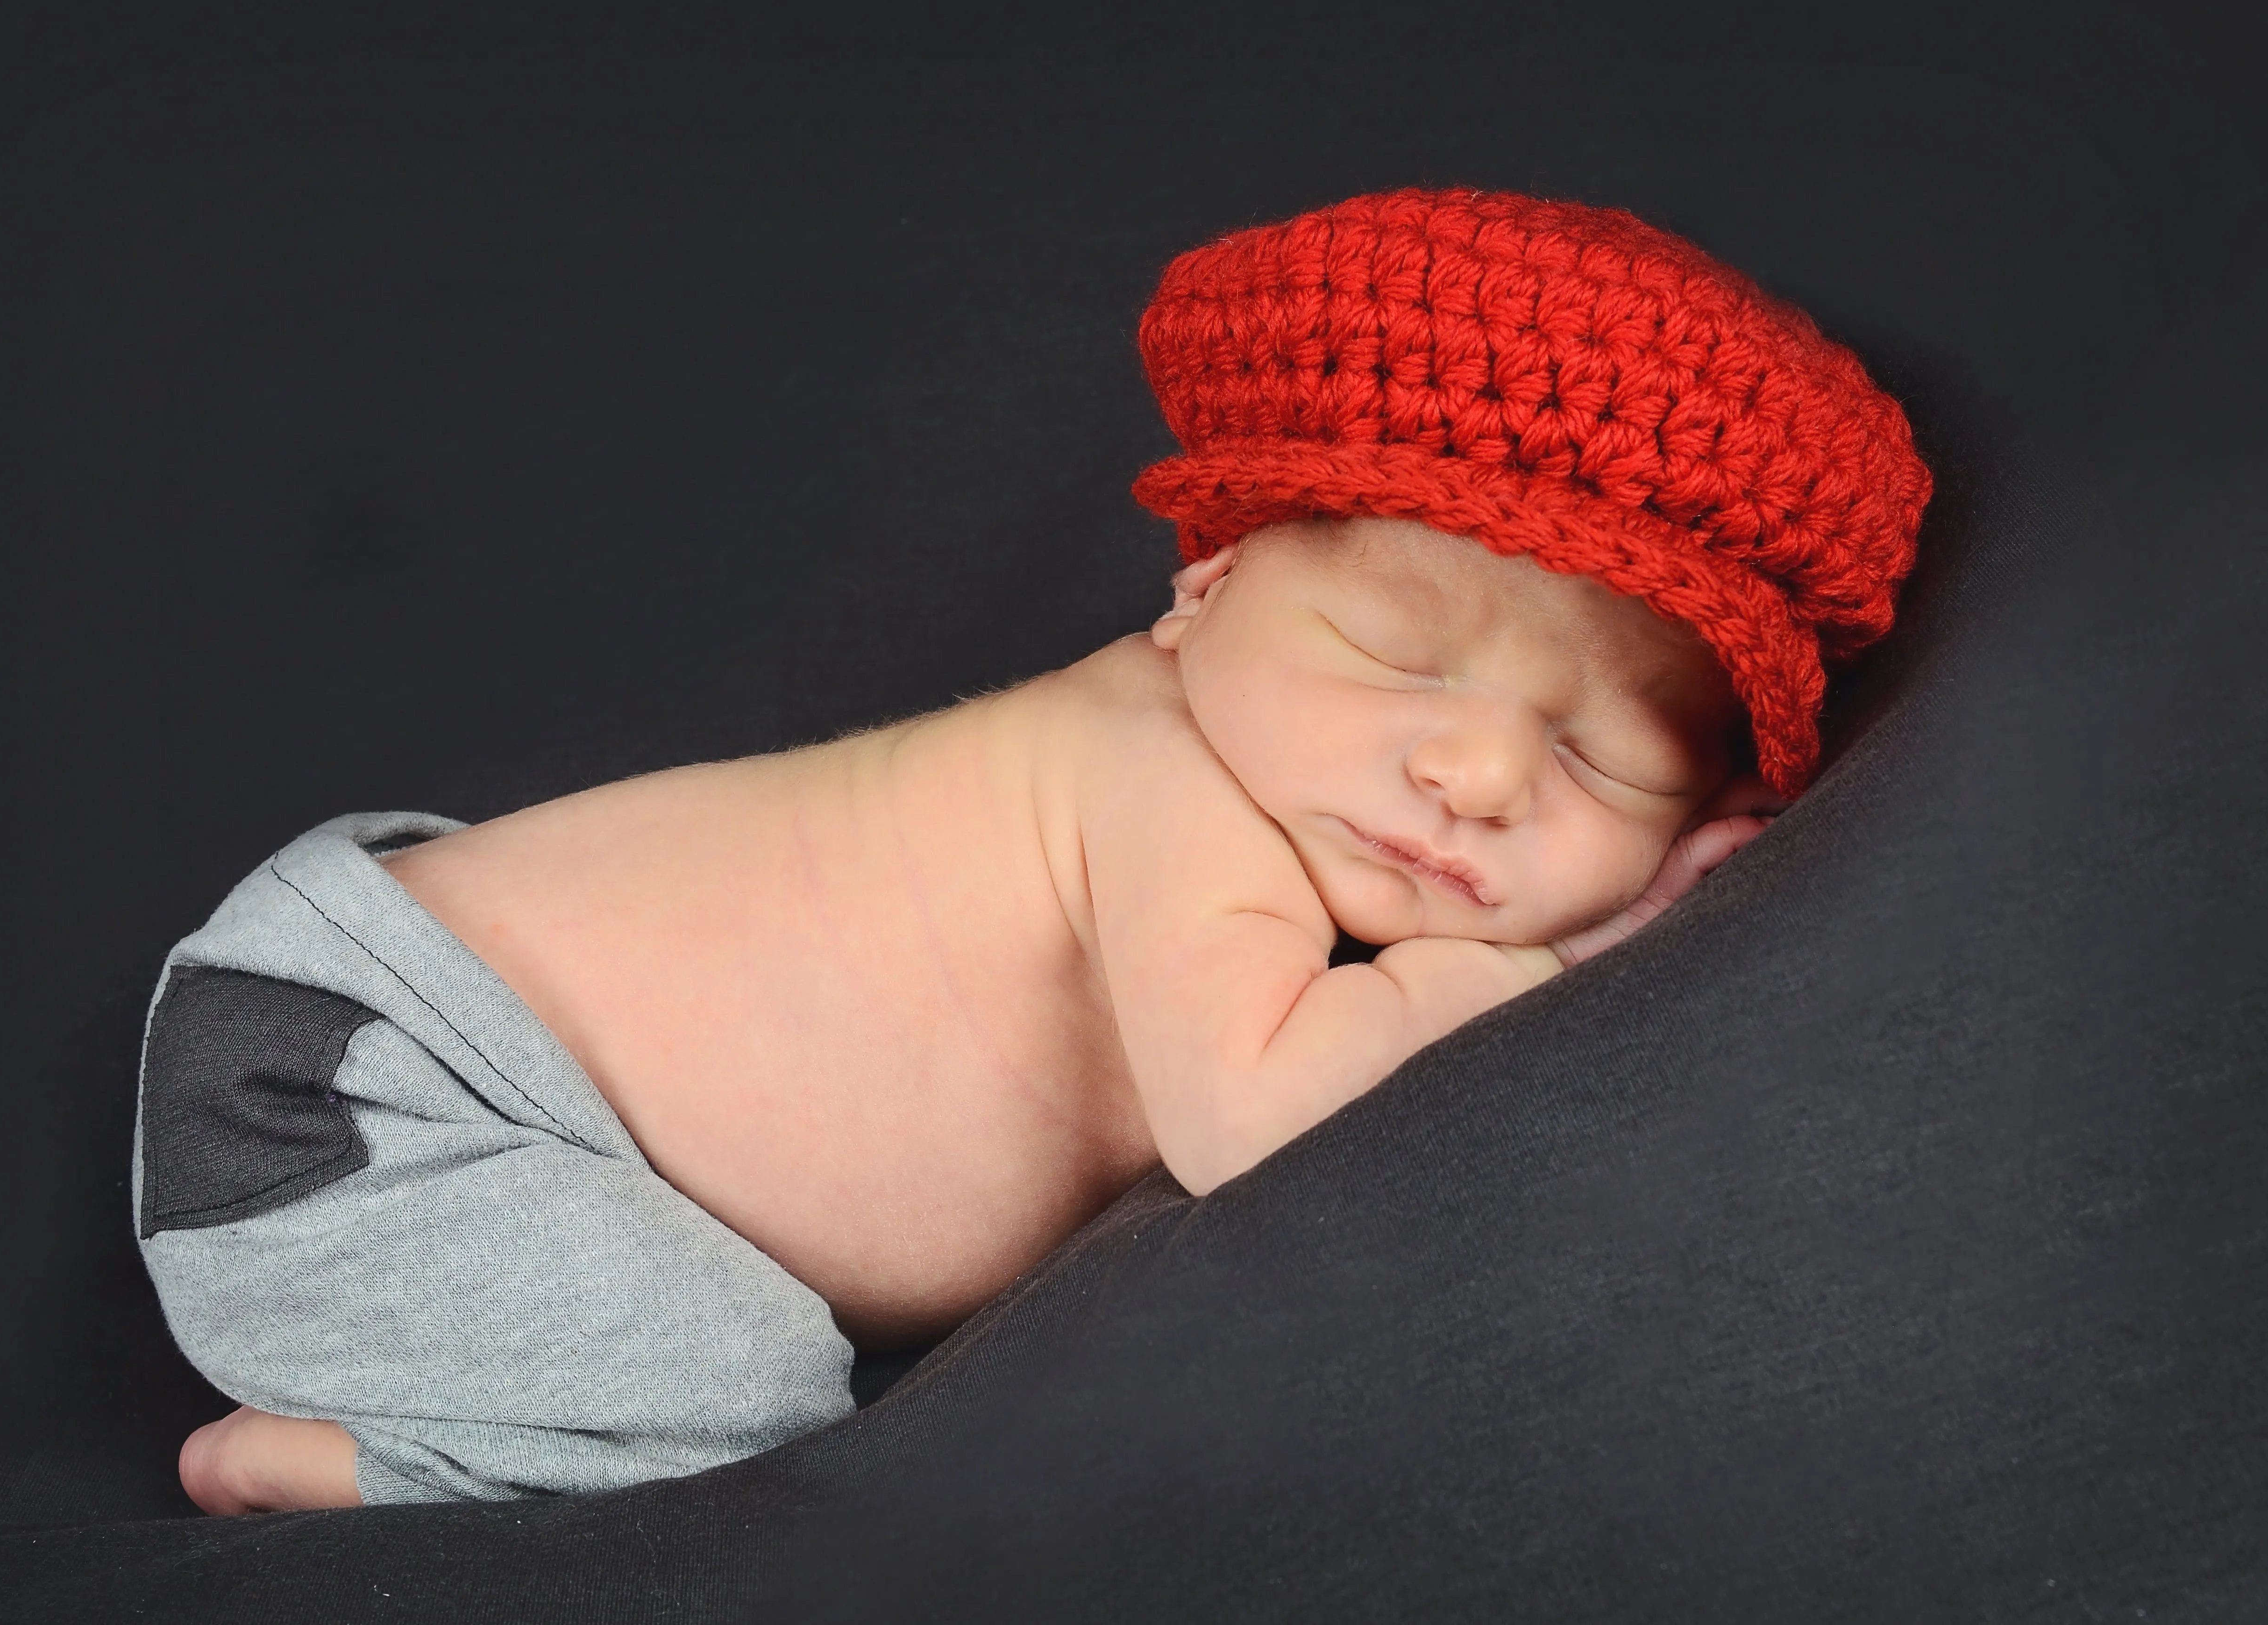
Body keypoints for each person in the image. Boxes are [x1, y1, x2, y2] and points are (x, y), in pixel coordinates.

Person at [140, 186, 1931, 1513]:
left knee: (759, 1395)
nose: (1472, 773)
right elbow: (1256, 1120)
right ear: (1203, 587)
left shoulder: (1253, 769)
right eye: (1400, 656)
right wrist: (1544, 959)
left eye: (1605, 756)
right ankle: (330, 1466)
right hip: (377, 1093)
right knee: (749, 1412)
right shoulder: (1158, 779)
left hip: (398, 1028)